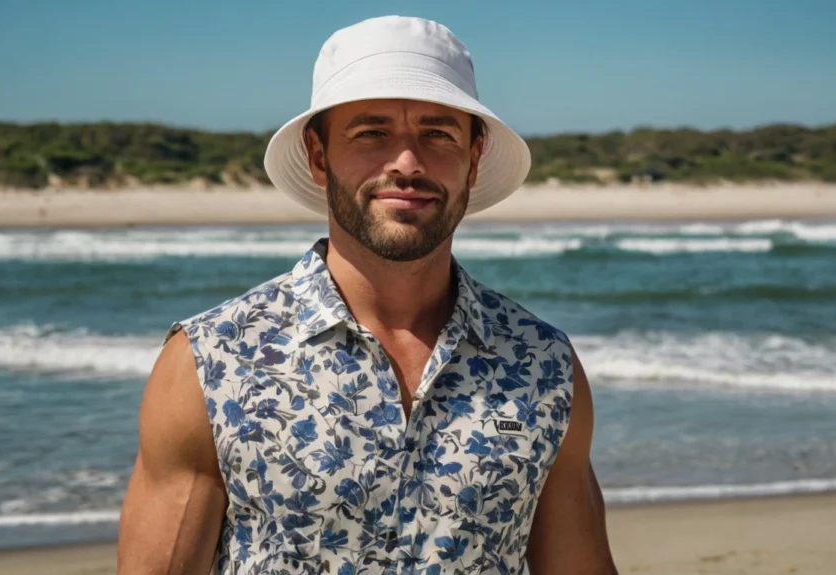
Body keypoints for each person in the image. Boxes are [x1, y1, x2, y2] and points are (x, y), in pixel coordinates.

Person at [118, 15, 617, 575]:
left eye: (438, 134)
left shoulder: (542, 365)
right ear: (318, 154)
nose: (407, 162)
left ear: (473, 160)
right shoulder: (211, 362)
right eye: (371, 133)